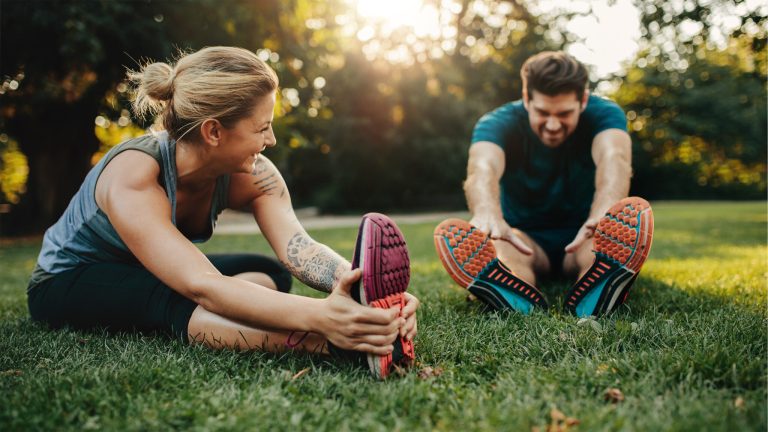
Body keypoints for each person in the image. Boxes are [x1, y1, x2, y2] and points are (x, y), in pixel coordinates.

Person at [26, 46, 419, 379]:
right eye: (261, 128)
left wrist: (363, 292)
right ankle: (330, 347)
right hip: (69, 280)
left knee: (271, 274)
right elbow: (202, 284)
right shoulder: (134, 175)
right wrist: (325, 318)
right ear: (214, 132)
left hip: (148, 271)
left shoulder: (253, 173)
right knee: (179, 297)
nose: (272, 139)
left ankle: (225, 319)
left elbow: (298, 247)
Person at [434, 51, 654, 317]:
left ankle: (600, 286)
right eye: (542, 112)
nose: (552, 124)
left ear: (583, 101)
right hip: (524, 238)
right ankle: (512, 289)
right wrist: (487, 213)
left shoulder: (605, 114)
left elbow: (613, 157)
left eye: (564, 114)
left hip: (584, 233)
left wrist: (604, 213)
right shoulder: (497, 123)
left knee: (599, 249)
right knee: (504, 250)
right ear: (526, 99)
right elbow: (483, 167)